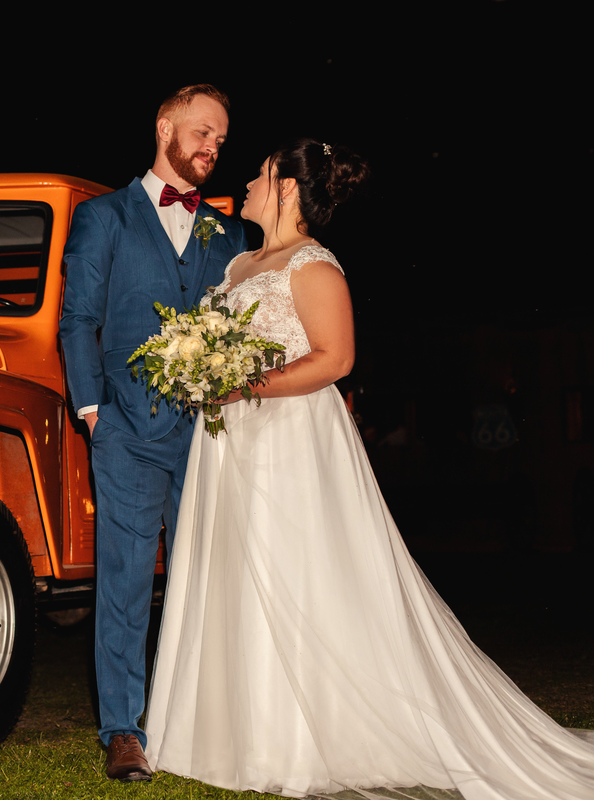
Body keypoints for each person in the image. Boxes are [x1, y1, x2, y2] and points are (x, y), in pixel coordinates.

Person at [144, 138, 594, 799]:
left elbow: (336, 358)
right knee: (232, 565)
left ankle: (292, 741)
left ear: (287, 188)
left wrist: (247, 385)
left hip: (288, 438)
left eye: (260, 175)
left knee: (295, 570)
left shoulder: (314, 265)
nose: (247, 183)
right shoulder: (239, 263)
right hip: (228, 439)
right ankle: (224, 735)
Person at [59, 84, 248, 782]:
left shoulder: (229, 234)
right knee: (126, 583)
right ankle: (123, 731)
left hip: (213, 438)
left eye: (221, 140)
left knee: (208, 584)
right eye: (202, 132)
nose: (212, 147)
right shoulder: (103, 216)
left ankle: (198, 722)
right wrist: (93, 413)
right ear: (165, 126)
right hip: (127, 432)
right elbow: (78, 319)